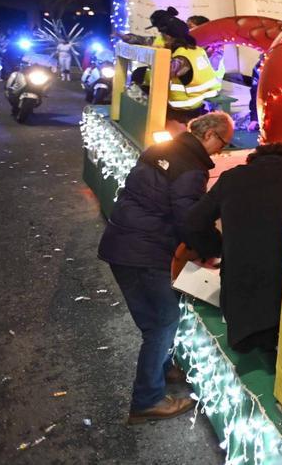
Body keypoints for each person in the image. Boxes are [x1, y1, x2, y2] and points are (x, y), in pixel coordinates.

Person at [97, 111, 233, 423]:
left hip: (120, 242)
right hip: (145, 251)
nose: (220, 151)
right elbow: (189, 220)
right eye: (223, 143)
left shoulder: (162, 150)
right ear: (210, 135)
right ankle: (148, 399)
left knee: (153, 320)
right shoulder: (190, 167)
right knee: (163, 321)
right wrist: (215, 249)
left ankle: (162, 368)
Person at [182, 143, 282, 352]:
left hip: (240, 292)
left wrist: (216, 247)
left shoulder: (232, 178)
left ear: (253, 159)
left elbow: (192, 222)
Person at [161, 17, 222, 129]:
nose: (162, 39)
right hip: (199, 100)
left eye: (163, 36)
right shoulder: (197, 49)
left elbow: (161, 75)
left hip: (185, 107)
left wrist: (144, 75)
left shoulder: (182, 56)